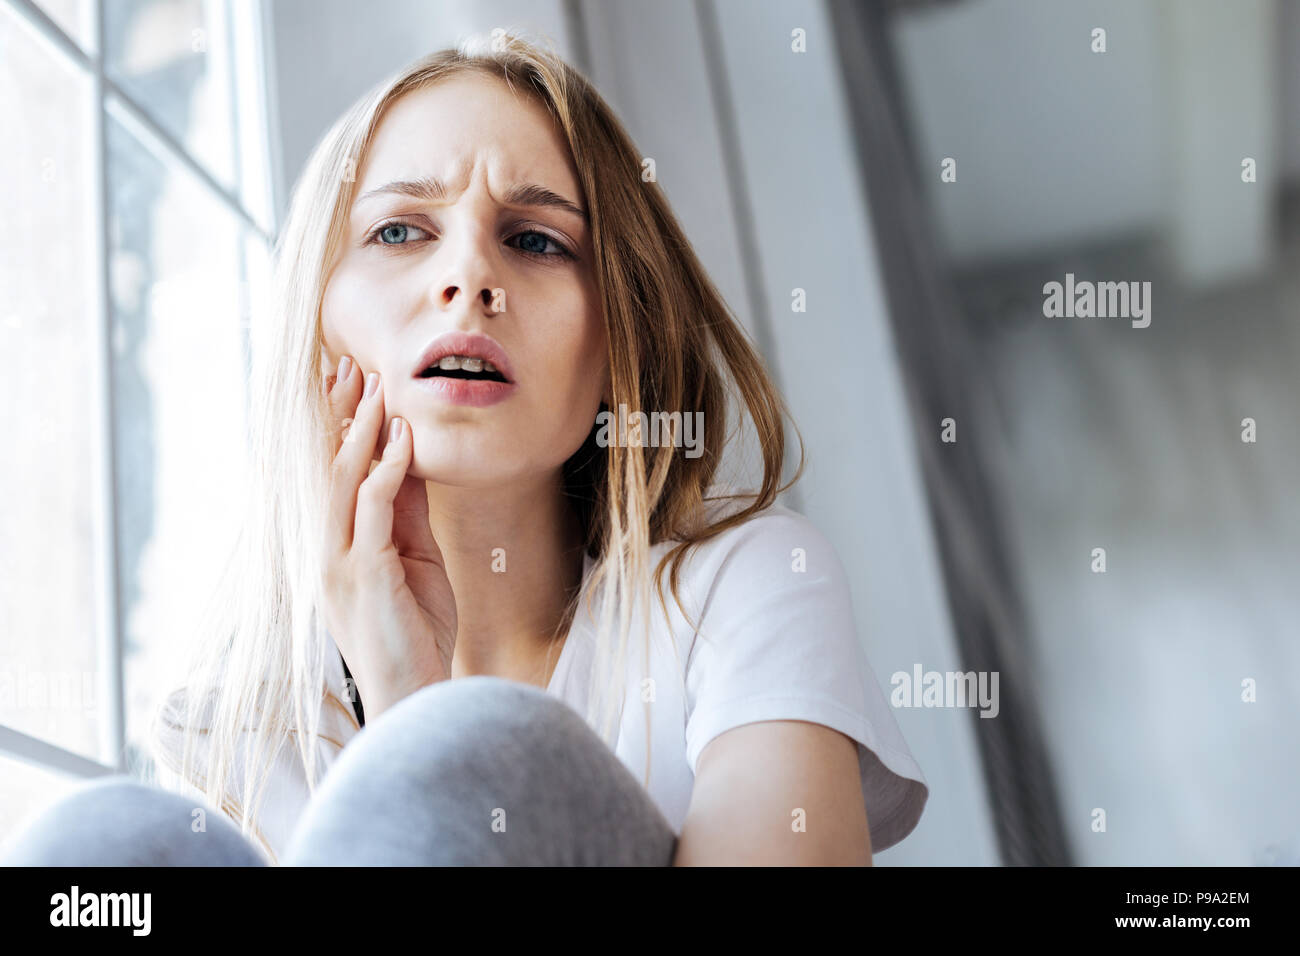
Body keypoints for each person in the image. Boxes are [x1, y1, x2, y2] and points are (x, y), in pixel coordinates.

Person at [1, 32, 927, 867]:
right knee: (101, 847)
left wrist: (412, 710)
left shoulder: (743, 588)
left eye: (536, 240)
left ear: (617, 343)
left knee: (451, 759)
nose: (469, 276)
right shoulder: (236, 732)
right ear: (316, 327)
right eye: (400, 231)